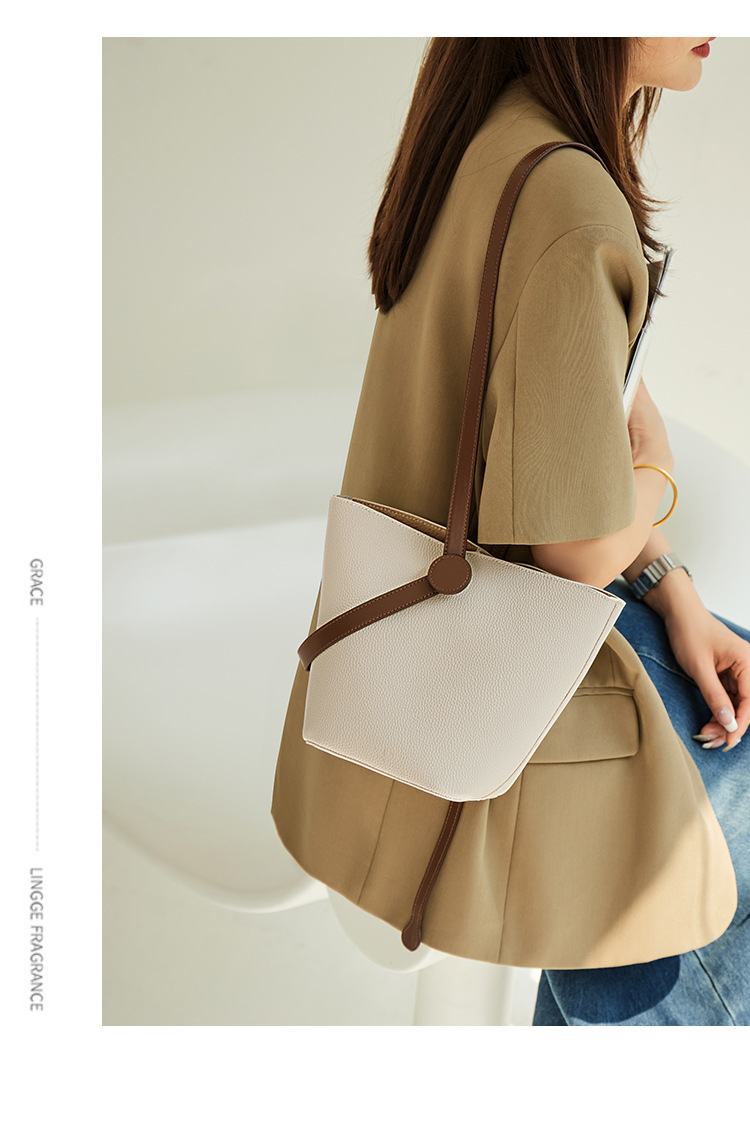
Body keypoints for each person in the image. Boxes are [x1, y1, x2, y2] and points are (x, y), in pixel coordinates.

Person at [271, 38, 750, 1025]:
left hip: (433, 665)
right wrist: (656, 470)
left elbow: (563, 429)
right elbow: (576, 549)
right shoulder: (572, 202)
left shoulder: (482, 135)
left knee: (622, 938)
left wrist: (668, 583)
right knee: (657, 901)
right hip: (523, 685)